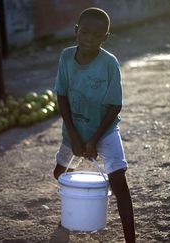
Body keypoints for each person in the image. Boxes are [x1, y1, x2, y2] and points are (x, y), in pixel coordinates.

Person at [52, 7, 136, 242]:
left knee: (119, 182)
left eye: (97, 36)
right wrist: (75, 137)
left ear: (105, 38)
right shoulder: (67, 56)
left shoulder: (109, 63)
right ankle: (69, 218)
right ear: (76, 31)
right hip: (74, 130)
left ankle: (131, 238)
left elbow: (115, 105)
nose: (89, 39)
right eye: (85, 33)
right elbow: (62, 96)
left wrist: (95, 139)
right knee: (60, 173)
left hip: (105, 130)